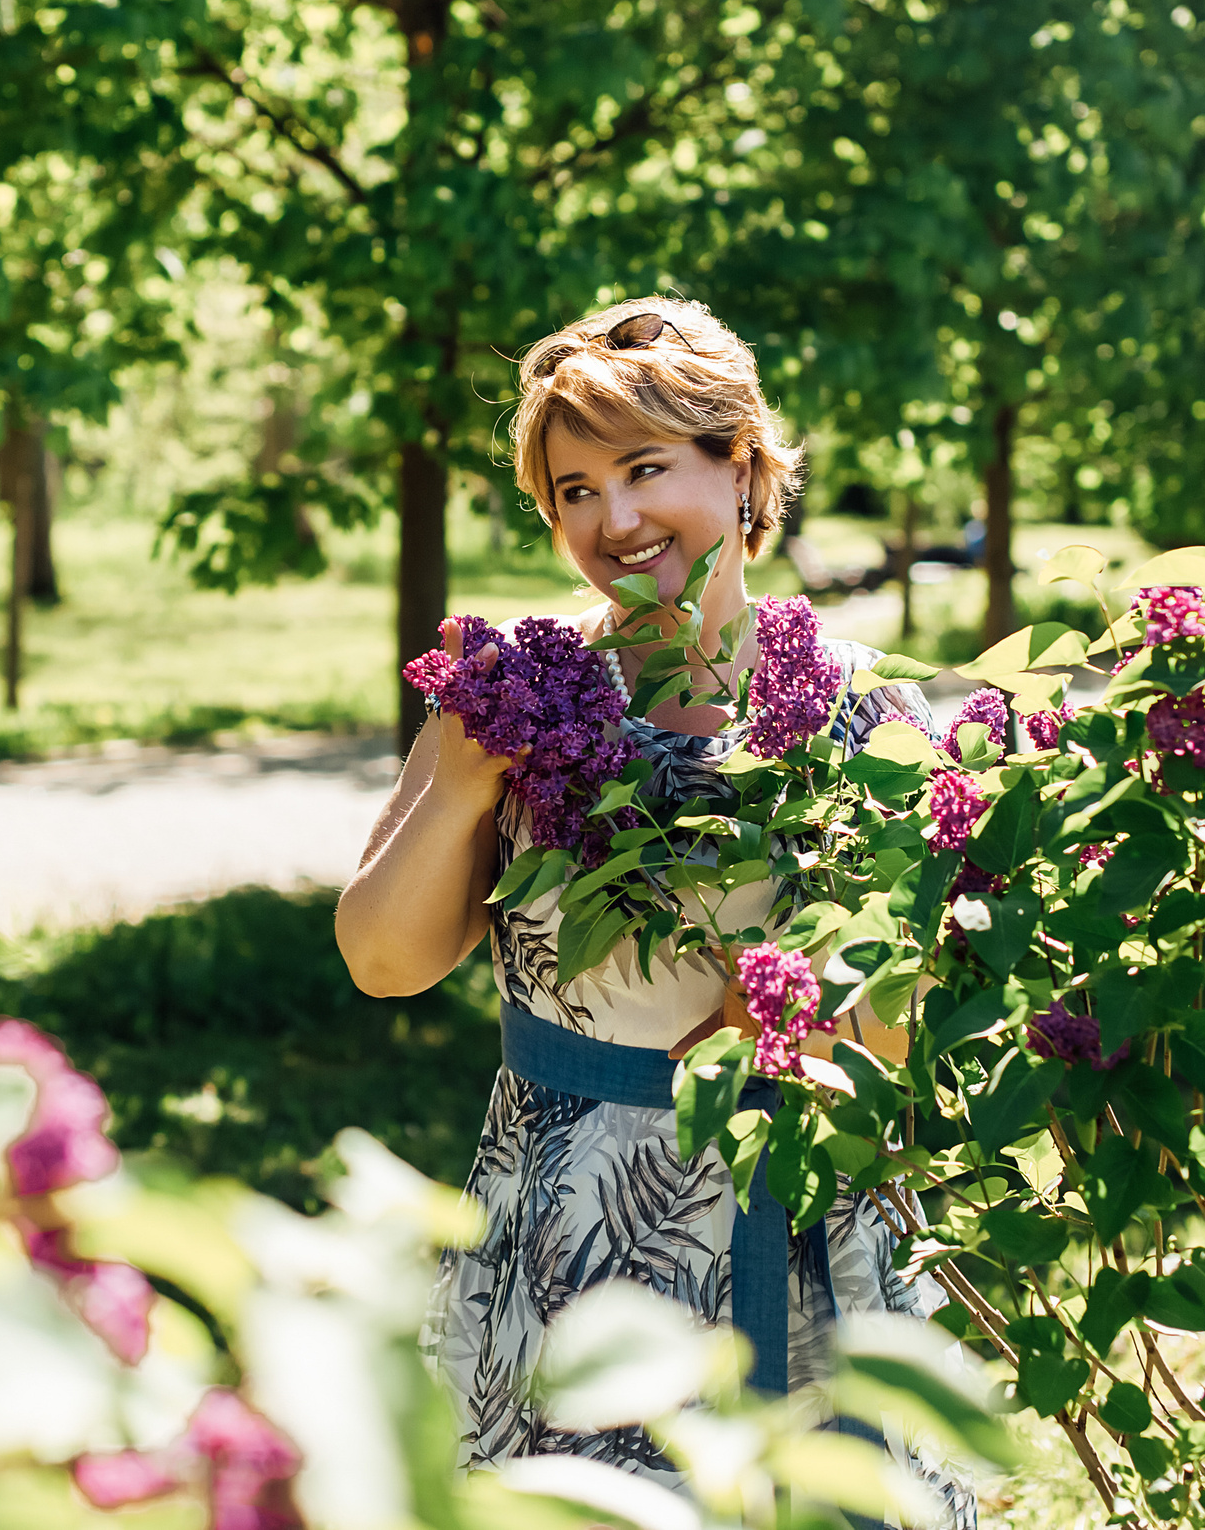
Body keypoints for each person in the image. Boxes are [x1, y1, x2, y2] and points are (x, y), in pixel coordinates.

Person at [335, 297, 977, 1526]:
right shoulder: (519, 695)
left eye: (644, 470)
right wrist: (469, 770)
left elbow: (927, 1030)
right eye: (573, 490)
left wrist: (815, 1020)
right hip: (572, 1220)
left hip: (798, 1220)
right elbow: (382, 961)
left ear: (739, 467)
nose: (613, 520)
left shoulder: (862, 717)